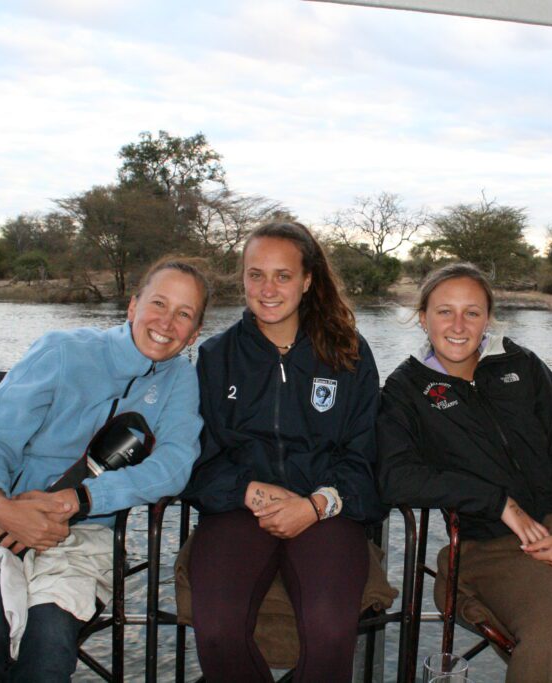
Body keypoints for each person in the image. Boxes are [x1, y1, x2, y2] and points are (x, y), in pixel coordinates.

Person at [0, 256, 208, 682]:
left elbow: (175, 464)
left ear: (196, 332)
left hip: (77, 535)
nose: (166, 322)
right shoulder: (63, 351)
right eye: (159, 304)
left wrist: (81, 499)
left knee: (48, 657)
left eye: (184, 314)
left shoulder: (179, 380)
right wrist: (1, 506)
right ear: (132, 306)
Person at [376, 263, 552, 683]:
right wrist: (496, 501)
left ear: (487, 318)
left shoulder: (521, 365)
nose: (459, 325)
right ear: (423, 317)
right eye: (444, 311)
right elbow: (394, 477)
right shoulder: (405, 391)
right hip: (492, 547)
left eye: (472, 312)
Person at [181, 221, 385, 682]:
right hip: (238, 507)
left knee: (332, 632)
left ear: (307, 280)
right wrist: (247, 490)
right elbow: (197, 458)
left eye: (283, 275)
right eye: (256, 274)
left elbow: (365, 455)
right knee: (216, 630)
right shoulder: (217, 356)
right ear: (242, 278)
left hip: (324, 509)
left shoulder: (349, 353)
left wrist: (315, 505)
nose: (267, 289)